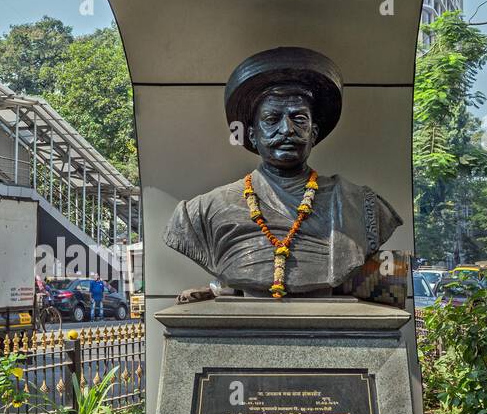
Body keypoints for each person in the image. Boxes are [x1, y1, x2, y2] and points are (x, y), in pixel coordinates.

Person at [163, 46, 401, 299]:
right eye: (272, 119)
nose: (287, 129)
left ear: (314, 133)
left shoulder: (358, 203)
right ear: (253, 135)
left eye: (299, 118)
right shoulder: (202, 212)